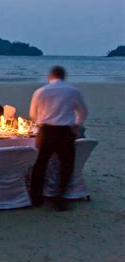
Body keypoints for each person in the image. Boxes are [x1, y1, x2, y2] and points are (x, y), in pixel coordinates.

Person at [29, 66, 88, 211]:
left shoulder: (40, 91)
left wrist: (40, 122)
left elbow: (33, 114)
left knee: (39, 165)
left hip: (46, 131)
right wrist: (76, 124)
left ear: (50, 76)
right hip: (64, 132)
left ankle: (36, 198)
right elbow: (83, 112)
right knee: (66, 165)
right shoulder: (73, 91)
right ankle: (59, 197)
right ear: (63, 76)